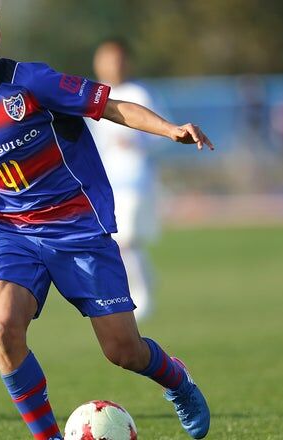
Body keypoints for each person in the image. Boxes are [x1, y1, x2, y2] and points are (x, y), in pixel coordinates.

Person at [0, 1, 213, 438]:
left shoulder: (32, 82)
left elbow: (111, 106)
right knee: (3, 324)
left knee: (123, 350)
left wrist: (170, 129)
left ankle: (177, 380)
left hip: (79, 228)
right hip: (15, 234)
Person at [87, 38, 162, 322]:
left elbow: (162, 135)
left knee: (126, 240)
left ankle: (142, 297)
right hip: (107, 183)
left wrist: (136, 141)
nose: (112, 65)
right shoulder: (92, 96)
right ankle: (146, 280)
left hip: (135, 180)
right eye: (106, 59)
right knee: (118, 242)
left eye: (117, 59)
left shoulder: (138, 94)